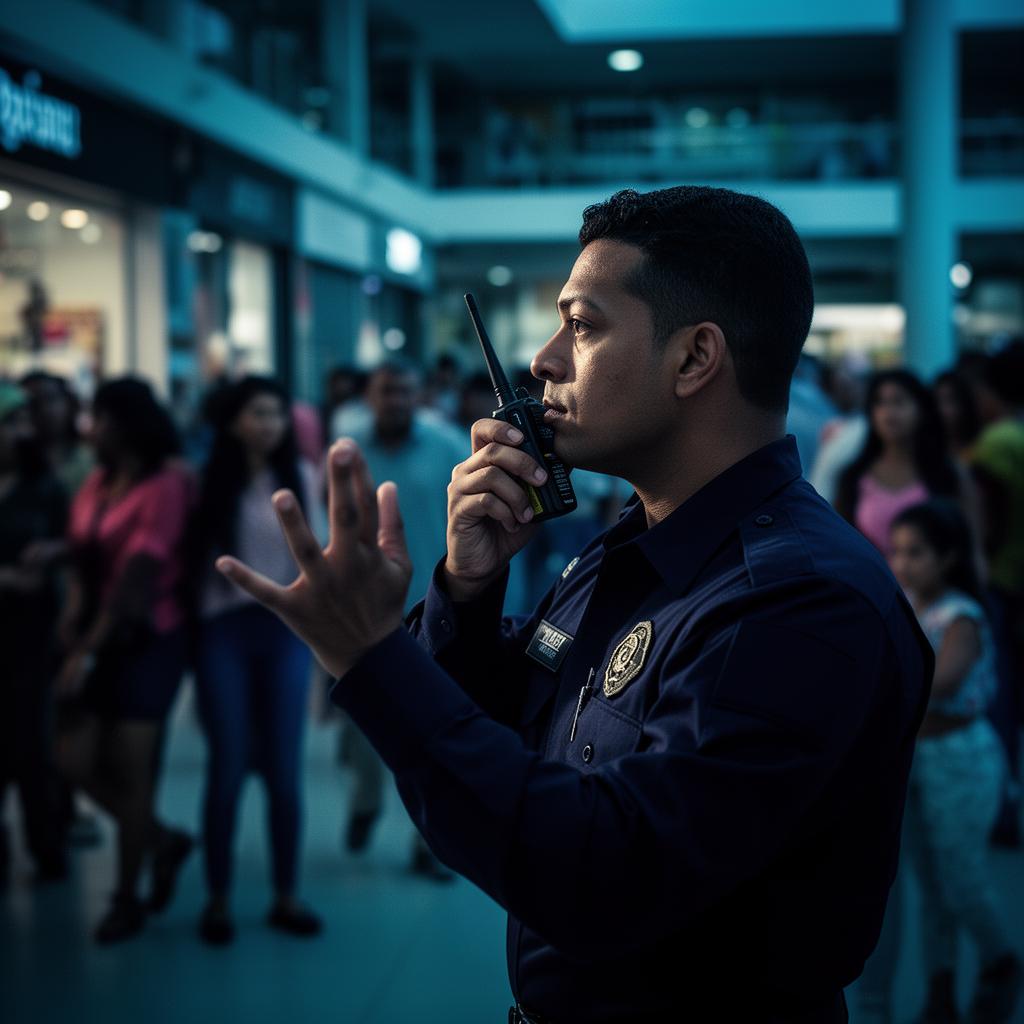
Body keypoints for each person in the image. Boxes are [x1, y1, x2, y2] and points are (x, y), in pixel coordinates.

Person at [218, 185, 932, 1022]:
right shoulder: (633, 544)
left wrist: (371, 658)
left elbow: (606, 877)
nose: (545, 361)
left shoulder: (800, 604)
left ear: (695, 359)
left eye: (583, 325)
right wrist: (468, 593)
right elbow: (507, 732)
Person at [55, 378, 194, 943]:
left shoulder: (167, 485)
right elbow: (83, 555)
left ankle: (126, 897)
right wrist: (72, 616)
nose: (90, 428)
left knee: (134, 776)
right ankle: (163, 841)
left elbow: (137, 581)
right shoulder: (97, 482)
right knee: (71, 759)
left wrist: (82, 655)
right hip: (95, 635)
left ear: (127, 423)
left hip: (147, 641)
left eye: (100, 418)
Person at [189, 376, 323, 945]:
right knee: (226, 765)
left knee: (285, 771)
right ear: (233, 422)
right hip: (223, 631)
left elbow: (316, 558)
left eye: (275, 413)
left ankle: (285, 895)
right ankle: (217, 899)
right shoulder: (207, 483)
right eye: (257, 413)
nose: (268, 423)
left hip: (286, 630)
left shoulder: (305, 479)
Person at [888, 501, 1022, 1023]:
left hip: (960, 759)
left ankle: (1000, 959)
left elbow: (941, 682)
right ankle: (939, 987)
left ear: (946, 557)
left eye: (915, 553)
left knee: (962, 877)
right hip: (917, 758)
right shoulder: (906, 603)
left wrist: (881, 683)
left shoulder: (959, 614)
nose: (902, 563)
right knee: (930, 881)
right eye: (897, 551)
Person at [333, 360, 464, 880]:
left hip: (434, 605)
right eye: (388, 392)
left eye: (406, 392)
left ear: (419, 396)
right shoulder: (348, 447)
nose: (397, 402)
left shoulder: (448, 444)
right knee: (365, 725)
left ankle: (428, 843)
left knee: (431, 726)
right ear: (370, 396)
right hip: (367, 609)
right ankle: (366, 801)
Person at [0, 383, 68, 883]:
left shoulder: (43, 485)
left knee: (33, 744)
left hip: (30, 633)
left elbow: (73, 541)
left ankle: (46, 846)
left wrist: (51, 553)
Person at [968, 340, 1024, 848]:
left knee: (1001, 699)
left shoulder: (997, 443)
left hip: (1006, 583)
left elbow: (987, 523)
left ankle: (1003, 809)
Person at [835, 369, 973, 559]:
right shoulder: (853, 477)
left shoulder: (948, 474)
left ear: (922, 409)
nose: (888, 412)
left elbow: (971, 547)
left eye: (899, 401)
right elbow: (841, 547)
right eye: (880, 402)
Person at [933, 368, 982, 467]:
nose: (941, 409)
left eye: (950, 401)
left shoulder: (983, 447)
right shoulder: (930, 450)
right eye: (936, 401)